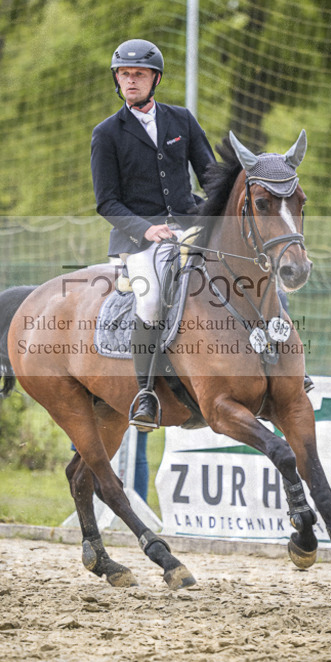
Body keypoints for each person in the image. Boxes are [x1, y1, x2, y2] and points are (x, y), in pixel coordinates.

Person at [91, 38, 215, 431]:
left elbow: (210, 175)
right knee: (151, 299)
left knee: (245, 264)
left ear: (155, 79)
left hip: (189, 226)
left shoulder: (182, 120)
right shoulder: (107, 133)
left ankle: (274, 354)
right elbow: (107, 202)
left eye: (138, 74)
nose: (130, 81)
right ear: (117, 79)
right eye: (124, 74)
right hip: (137, 241)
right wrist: (147, 228)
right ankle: (146, 395)